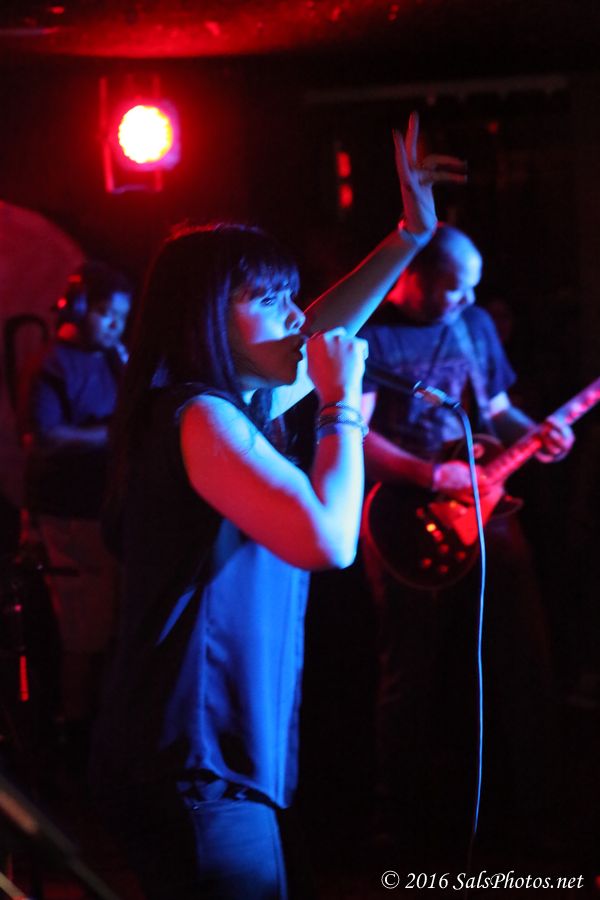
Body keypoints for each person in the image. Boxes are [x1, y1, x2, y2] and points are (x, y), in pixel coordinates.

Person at [89, 115, 466, 899]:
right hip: (193, 758)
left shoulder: (228, 406)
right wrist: (341, 407)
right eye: (270, 299)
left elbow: (320, 325)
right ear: (206, 321)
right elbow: (329, 540)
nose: (297, 316)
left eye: (293, 296)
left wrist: (408, 236)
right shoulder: (201, 416)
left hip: (212, 759)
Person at [358, 224, 575, 866]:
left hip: (487, 510)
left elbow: (497, 407)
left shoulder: (474, 323)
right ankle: (395, 830)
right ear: (413, 276)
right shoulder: (371, 334)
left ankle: (539, 819)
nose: (467, 300)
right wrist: (431, 475)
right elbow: (354, 437)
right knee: (409, 674)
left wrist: (538, 434)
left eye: (472, 288)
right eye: (454, 288)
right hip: (404, 518)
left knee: (524, 659)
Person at [22, 261, 132, 763]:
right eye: (107, 314)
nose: (115, 326)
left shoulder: (114, 360)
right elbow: (45, 438)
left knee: (109, 628)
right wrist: (111, 434)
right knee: (83, 633)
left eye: (121, 318)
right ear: (79, 308)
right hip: (69, 516)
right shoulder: (52, 364)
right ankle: (73, 731)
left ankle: (101, 730)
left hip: (104, 514)